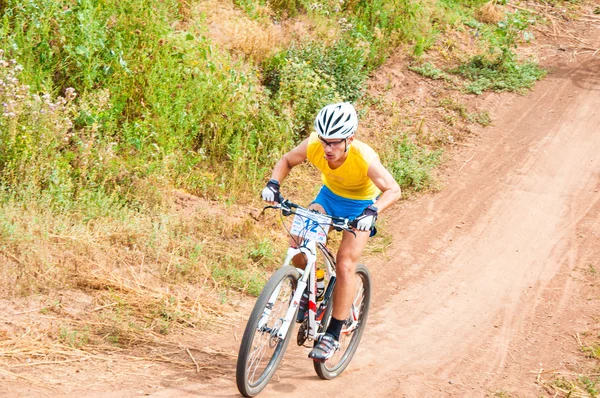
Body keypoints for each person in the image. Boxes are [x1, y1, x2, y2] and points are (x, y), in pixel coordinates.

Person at [261, 102, 401, 362]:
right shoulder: (314, 144)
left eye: (335, 143)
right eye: (325, 141)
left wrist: (372, 212)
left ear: (350, 138)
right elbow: (287, 160)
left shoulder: (364, 157)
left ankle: (333, 334)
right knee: (298, 247)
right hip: (328, 198)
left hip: (360, 207)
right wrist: (273, 183)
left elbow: (393, 189)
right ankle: (316, 283)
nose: (327, 149)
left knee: (346, 262)